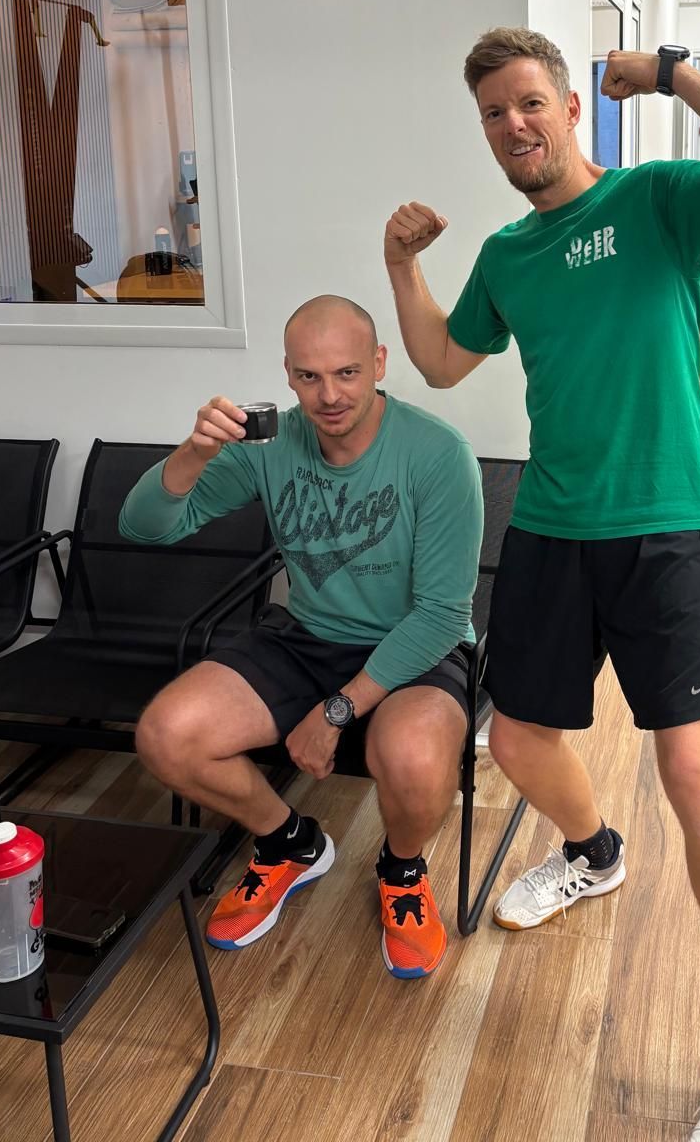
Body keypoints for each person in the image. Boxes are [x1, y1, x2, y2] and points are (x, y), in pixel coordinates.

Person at [383, 31, 700, 1139]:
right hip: (549, 522)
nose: (513, 127)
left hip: (670, 522)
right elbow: (444, 363)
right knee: (520, 740)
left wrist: (677, 77)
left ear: (572, 108)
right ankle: (594, 855)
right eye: (493, 113)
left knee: (691, 765)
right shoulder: (507, 255)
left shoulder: (657, 203)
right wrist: (401, 265)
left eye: (529, 103)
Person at [124, 295, 483, 978]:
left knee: (411, 759)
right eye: (310, 377)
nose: (329, 395)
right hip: (308, 636)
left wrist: (338, 709)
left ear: (378, 364)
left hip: (416, 648)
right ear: (287, 375)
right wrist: (196, 451)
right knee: (167, 735)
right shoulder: (271, 445)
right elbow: (147, 525)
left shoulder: (439, 454)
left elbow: (440, 614)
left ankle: (402, 869)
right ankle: (288, 842)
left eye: (347, 373)